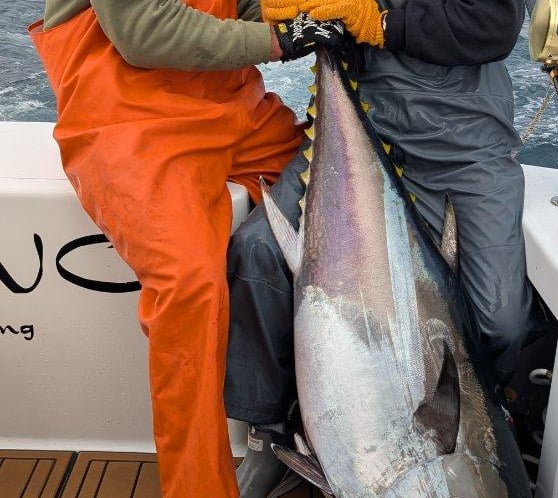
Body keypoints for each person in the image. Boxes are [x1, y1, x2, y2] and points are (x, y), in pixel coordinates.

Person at [224, 0, 557, 495]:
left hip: (463, 146)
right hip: (365, 120)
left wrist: (380, 23)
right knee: (257, 251)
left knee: (501, 318)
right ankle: (268, 433)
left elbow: (494, 23)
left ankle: (496, 426)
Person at [29, 2, 343, 497]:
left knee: (343, 196)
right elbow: (142, 29)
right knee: (189, 286)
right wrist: (283, 39)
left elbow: (245, 6)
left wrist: (313, 13)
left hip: (231, 106)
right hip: (129, 121)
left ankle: (300, 431)